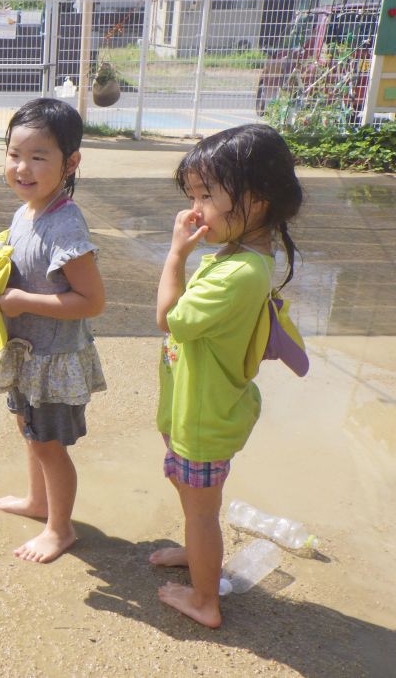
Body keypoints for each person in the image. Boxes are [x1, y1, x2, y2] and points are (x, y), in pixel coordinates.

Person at [151, 124, 303, 628]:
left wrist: (176, 255)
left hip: (203, 417)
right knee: (193, 500)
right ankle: (199, 557)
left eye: (207, 195)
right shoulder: (242, 256)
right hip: (200, 408)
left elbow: (169, 318)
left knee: (201, 511)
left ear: (256, 201)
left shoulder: (239, 273)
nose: (194, 209)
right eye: (192, 194)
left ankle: (204, 600)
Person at [0, 98, 107, 563]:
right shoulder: (27, 210)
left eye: (39, 157)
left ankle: (60, 529)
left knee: (50, 445)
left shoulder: (66, 225)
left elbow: (91, 301)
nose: (23, 167)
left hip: (54, 359)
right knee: (29, 430)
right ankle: (38, 503)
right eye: (15, 154)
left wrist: (20, 301)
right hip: (26, 352)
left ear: (71, 162)